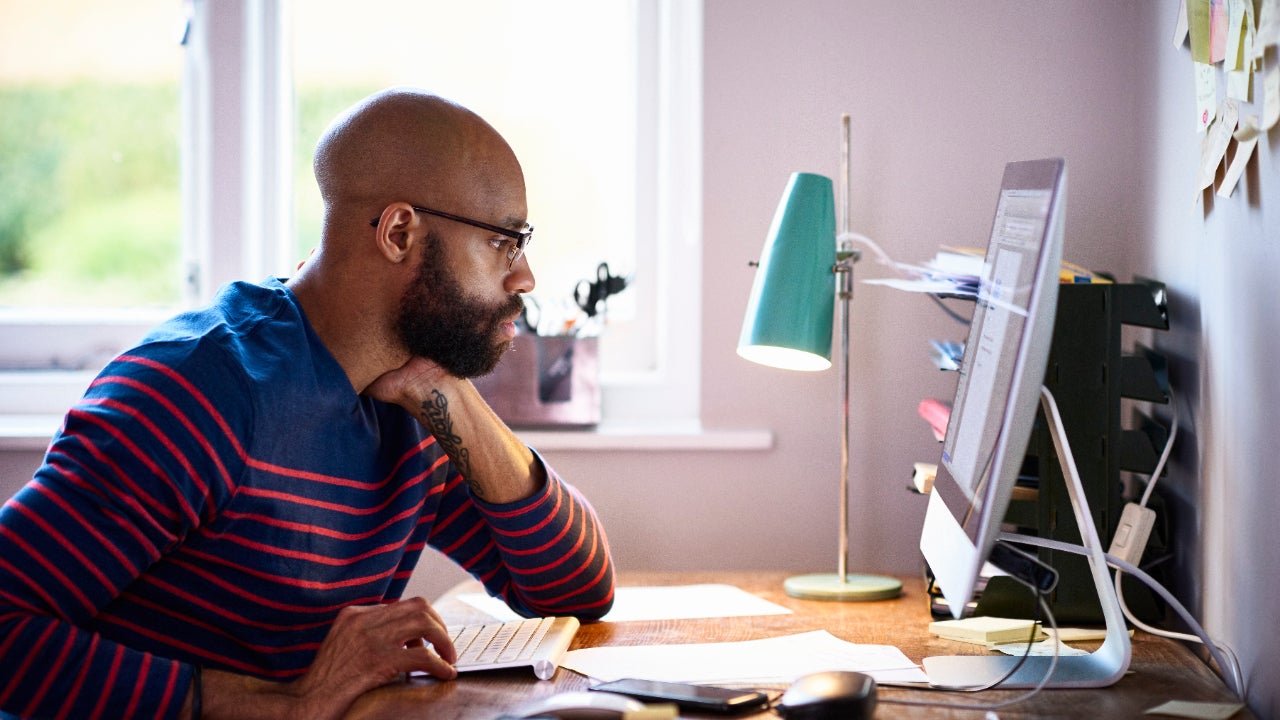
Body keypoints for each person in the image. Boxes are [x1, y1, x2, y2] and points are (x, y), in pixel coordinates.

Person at [0, 88, 615, 720]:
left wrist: (450, 397)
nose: (525, 277)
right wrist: (284, 706)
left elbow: (575, 590)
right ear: (399, 232)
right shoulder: (195, 394)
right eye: (504, 242)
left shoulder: (410, 395)